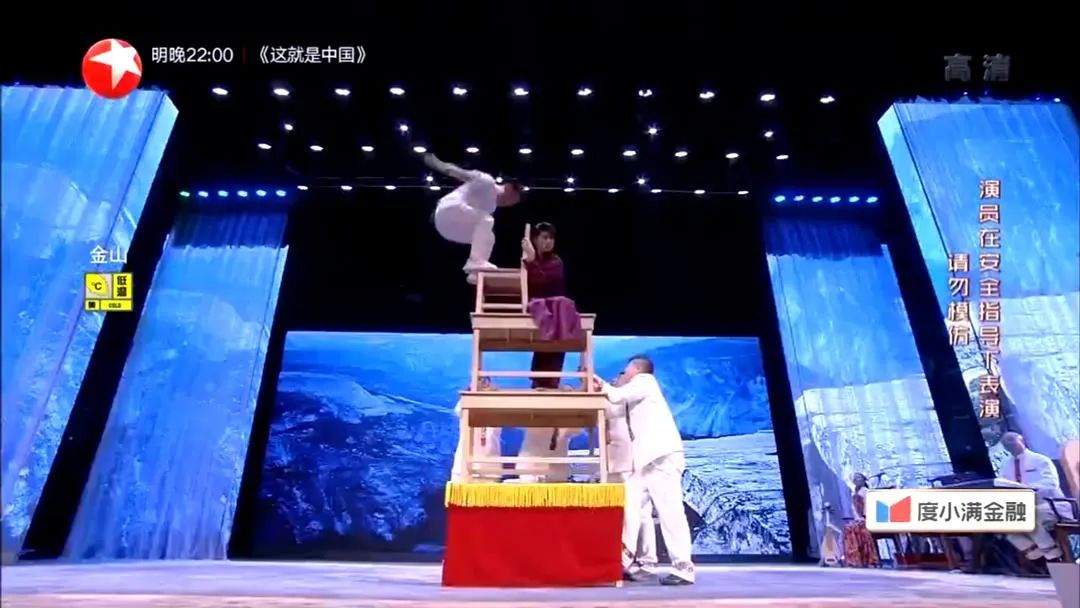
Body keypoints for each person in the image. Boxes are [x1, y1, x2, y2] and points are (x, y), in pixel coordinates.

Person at [594, 356, 695, 586]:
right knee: (630, 505)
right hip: (645, 462)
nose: (624, 372)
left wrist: (601, 383)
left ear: (636, 369)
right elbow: (616, 403)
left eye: (626, 368)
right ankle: (623, 560)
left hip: (662, 458)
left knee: (670, 512)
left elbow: (617, 396)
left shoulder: (645, 381)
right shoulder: (638, 391)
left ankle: (683, 568)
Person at [424, 153, 523, 284]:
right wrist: (437, 163)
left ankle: (475, 272)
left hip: (448, 229)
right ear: (509, 187)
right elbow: (458, 172)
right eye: (511, 199)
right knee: (487, 221)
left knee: (489, 237)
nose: (508, 204)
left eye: (511, 204)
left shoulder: (491, 207)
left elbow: (480, 233)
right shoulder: (487, 181)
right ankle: (475, 262)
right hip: (448, 209)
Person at [606, 370, 659, 573]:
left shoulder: (633, 399)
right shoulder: (611, 399)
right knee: (617, 513)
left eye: (621, 375)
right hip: (613, 462)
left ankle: (647, 560)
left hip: (634, 462)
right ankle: (619, 558)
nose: (616, 379)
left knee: (641, 512)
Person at [997, 432, 1069, 561]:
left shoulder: (1040, 460)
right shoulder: (1005, 466)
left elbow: (1051, 484)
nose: (1010, 445)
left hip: (1050, 504)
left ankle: (1053, 556)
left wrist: (1027, 488)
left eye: (1012, 441)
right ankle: (1036, 555)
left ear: (1022, 441)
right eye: (1006, 444)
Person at [521, 222, 566, 390]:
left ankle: (552, 381)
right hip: (535, 306)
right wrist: (530, 260)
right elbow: (528, 284)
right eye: (545, 237)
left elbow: (543, 280)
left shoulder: (556, 262)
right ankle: (539, 381)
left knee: (556, 335)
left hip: (553, 308)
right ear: (535, 239)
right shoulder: (527, 260)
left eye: (551, 238)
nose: (548, 242)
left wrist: (532, 261)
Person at [450, 377, 502, 482]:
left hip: (490, 469)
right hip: (463, 468)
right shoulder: (465, 404)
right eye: (479, 382)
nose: (483, 385)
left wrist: (492, 394)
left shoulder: (498, 404)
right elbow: (459, 409)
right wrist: (472, 391)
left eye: (485, 382)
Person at [842, 473, 880, 567]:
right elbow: (854, 509)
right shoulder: (853, 492)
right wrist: (857, 518)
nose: (857, 480)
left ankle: (868, 558)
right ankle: (855, 559)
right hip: (858, 518)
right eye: (855, 478)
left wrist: (864, 517)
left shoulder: (866, 491)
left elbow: (869, 506)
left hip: (867, 518)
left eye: (859, 478)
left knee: (859, 529)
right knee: (848, 528)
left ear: (863, 480)